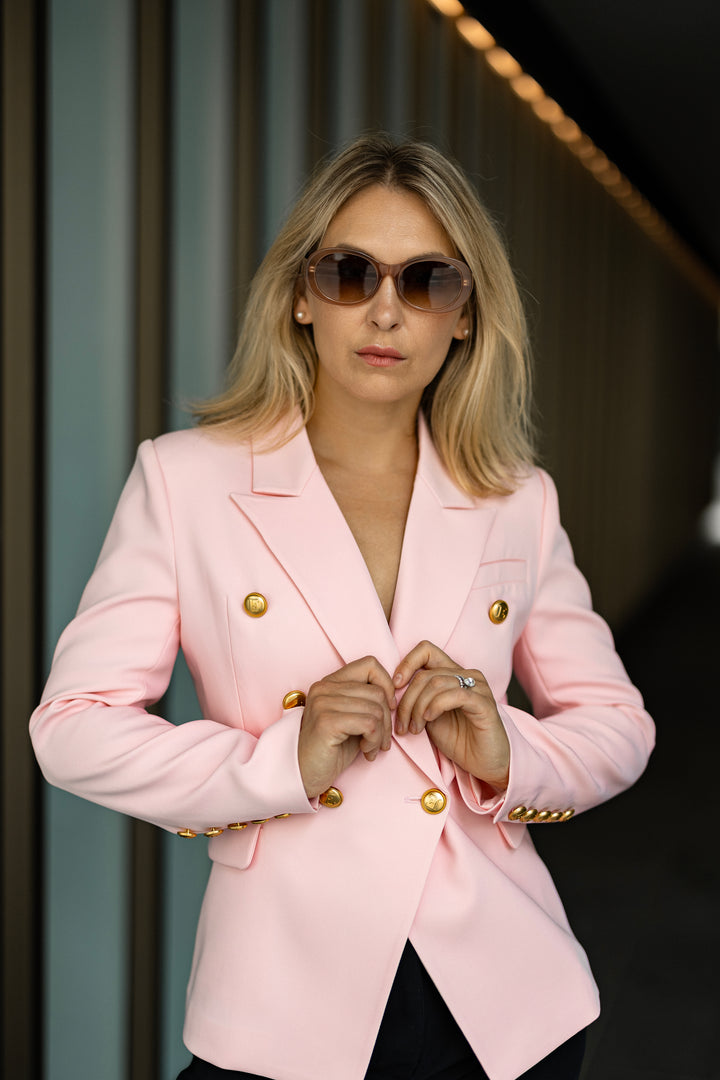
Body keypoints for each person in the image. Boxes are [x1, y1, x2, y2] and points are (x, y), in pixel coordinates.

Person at [30, 135, 654, 1080]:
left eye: (428, 281)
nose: (386, 311)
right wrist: (279, 759)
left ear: (467, 316)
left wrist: (504, 752)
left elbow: (618, 725)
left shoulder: (515, 497)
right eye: (350, 272)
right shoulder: (188, 480)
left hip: (504, 1006)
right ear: (299, 294)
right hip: (282, 999)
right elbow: (71, 728)